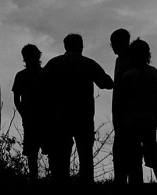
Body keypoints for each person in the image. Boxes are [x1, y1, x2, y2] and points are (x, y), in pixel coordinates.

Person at [42, 34, 113, 183]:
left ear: (65, 46)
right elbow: (106, 82)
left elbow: (40, 87)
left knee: (61, 157)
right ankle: (86, 190)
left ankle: (61, 190)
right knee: (85, 156)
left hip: (60, 116)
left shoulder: (54, 63)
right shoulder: (88, 64)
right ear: (81, 46)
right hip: (83, 116)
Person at [116, 39, 157, 184]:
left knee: (134, 155)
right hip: (149, 118)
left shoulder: (128, 75)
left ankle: (136, 185)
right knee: (152, 153)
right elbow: (156, 91)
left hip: (132, 119)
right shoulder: (153, 72)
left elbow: (123, 98)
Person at [109, 28, 138, 184]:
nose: (112, 46)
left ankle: (129, 182)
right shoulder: (120, 60)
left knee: (129, 148)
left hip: (128, 111)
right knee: (121, 147)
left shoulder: (130, 60)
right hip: (119, 109)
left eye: (114, 43)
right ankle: (122, 180)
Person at [13, 44, 46, 180]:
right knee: (33, 152)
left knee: (36, 152)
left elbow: (16, 99)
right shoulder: (24, 75)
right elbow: (16, 100)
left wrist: (24, 114)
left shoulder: (43, 73)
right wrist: (25, 115)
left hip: (43, 117)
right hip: (35, 118)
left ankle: (36, 181)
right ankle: (35, 181)